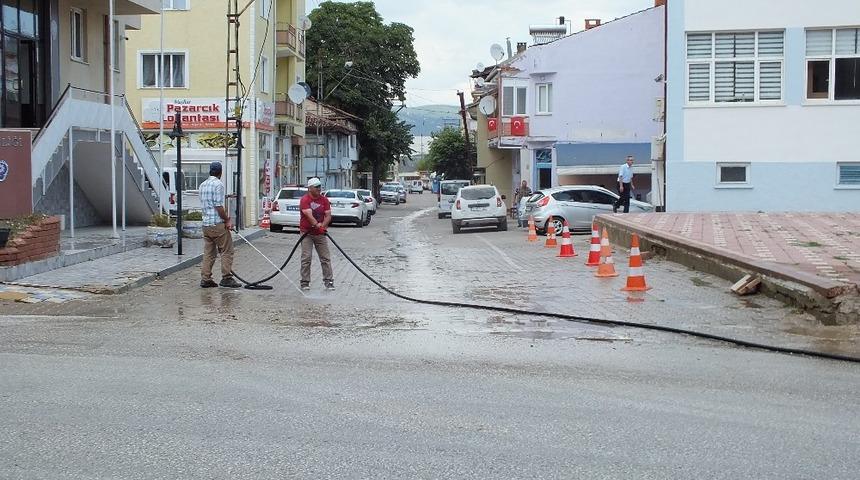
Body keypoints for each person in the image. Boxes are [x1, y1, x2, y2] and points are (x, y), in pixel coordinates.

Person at [199, 161, 241, 288]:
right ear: (220, 172)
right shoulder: (218, 185)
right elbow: (218, 205)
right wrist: (227, 220)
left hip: (206, 224)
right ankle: (226, 277)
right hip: (217, 224)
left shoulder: (202, 185)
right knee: (227, 250)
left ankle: (206, 278)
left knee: (209, 253)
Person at [299, 177, 334, 291]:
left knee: (325, 258)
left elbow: (328, 215)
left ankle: (328, 281)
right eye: (316, 187)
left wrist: (322, 226)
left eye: (320, 186)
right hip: (307, 233)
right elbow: (308, 215)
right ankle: (305, 282)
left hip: (320, 234)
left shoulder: (324, 200)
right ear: (310, 188)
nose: (319, 189)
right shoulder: (305, 200)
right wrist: (317, 225)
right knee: (306, 257)